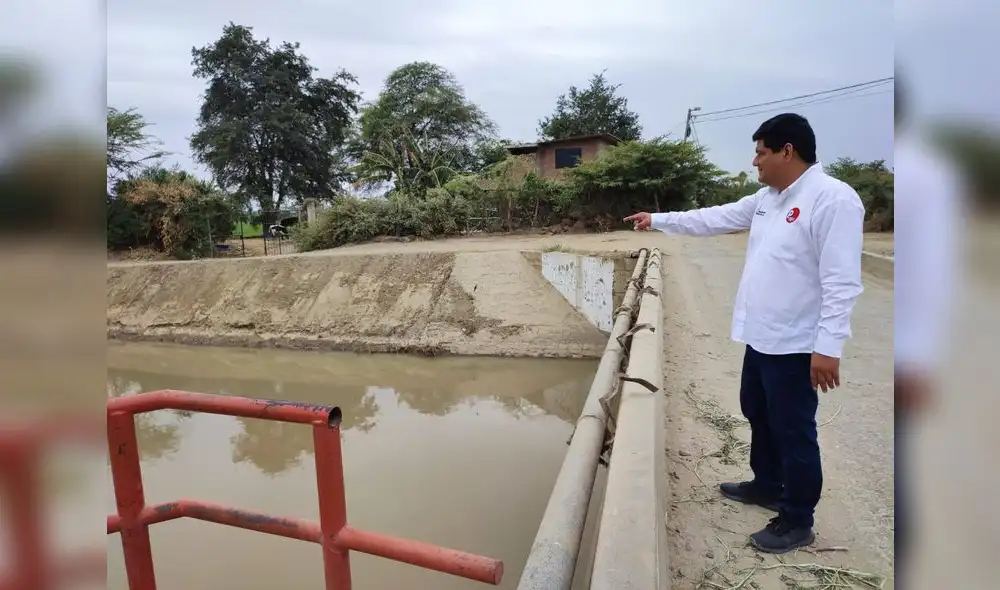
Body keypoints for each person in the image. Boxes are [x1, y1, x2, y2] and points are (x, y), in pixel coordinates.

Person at [625, 113, 865, 554]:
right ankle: (767, 484)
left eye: (760, 151)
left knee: (794, 431)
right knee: (756, 410)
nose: (754, 160)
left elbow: (841, 281)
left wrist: (828, 348)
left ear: (786, 151)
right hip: (761, 336)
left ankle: (796, 519)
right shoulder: (766, 199)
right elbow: (712, 218)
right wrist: (657, 219)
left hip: (796, 344)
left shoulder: (832, 199)